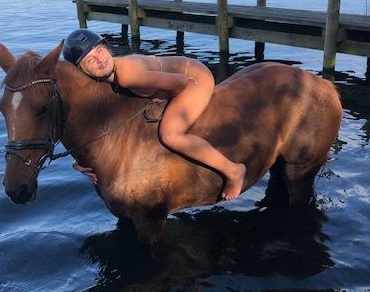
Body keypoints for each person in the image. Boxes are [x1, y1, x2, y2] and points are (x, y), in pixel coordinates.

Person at [63, 29, 246, 199]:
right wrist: (79, 162)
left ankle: (233, 170)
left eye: (99, 51)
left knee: (171, 134)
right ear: (82, 72)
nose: (99, 59)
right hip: (179, 75)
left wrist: (162, 99)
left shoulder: (127, 75)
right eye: (90, 60)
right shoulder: (107, 80)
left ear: (107, 48)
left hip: (194, 77)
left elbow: (183, 83)